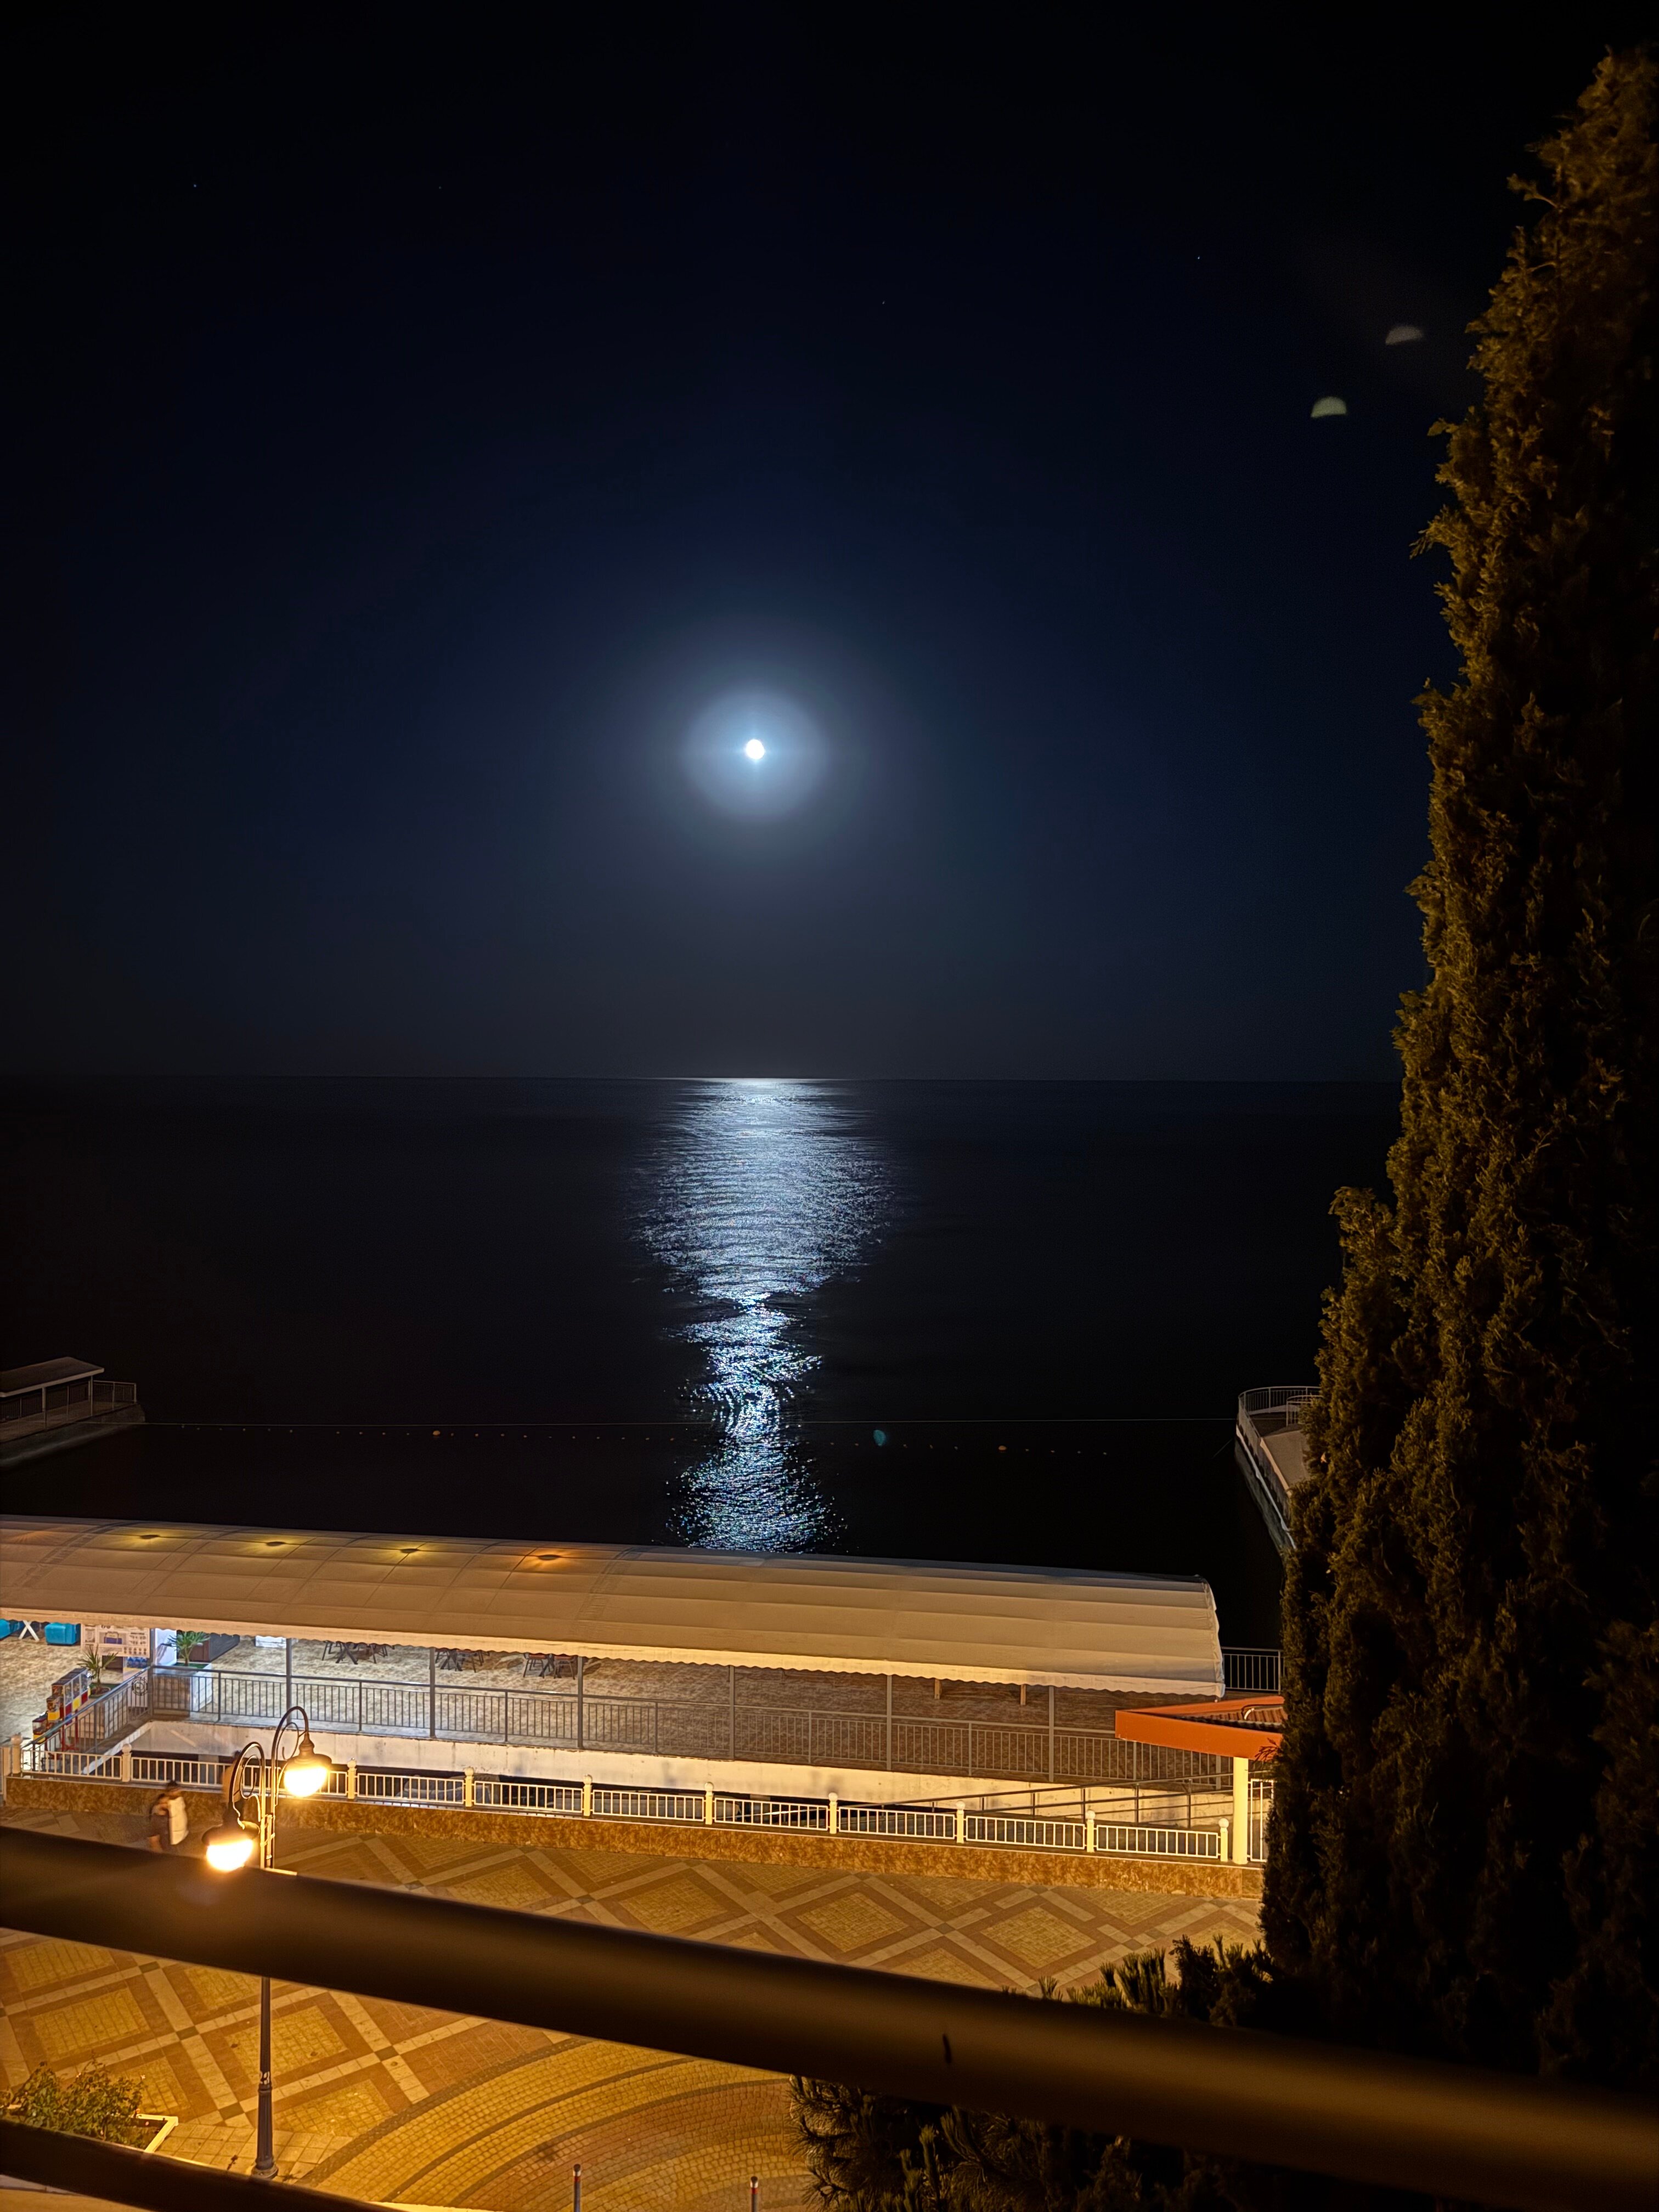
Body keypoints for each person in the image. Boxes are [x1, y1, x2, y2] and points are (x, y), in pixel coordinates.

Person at [148, 1781, 188, 1853]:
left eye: (176, 1790)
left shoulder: (179, 1803)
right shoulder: (158, 1817)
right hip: (170, 1845)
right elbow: (153, 1839)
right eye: (173, 1791)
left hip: (181, 1840)